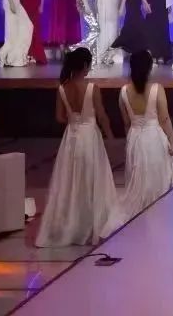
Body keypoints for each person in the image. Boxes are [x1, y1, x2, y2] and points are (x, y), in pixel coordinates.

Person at [35, 48, 118, 247]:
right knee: (91, 179)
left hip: (71, 138)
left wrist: (74, 121)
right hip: (90, 137)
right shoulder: (92, 88)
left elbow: (59, 117)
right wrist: (110, 137)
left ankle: (72, 225)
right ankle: (90, 224)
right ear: (85, 65)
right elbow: (102, 116)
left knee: (70, 180)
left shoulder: (62, 88)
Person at [102, 51, 173, 238]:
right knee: (157, 181)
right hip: (154, 139)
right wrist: (172, 144)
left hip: (135, 139)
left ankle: (142, 224)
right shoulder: (157, 89)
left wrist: (130, 143)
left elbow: (126, 123)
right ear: (149, 68)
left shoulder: (123, 91)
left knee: (138, 181)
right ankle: (158, 221)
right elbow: (164, 119)